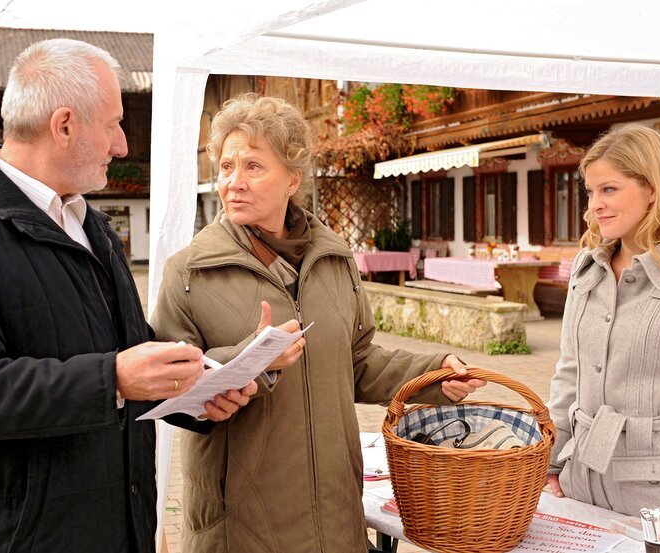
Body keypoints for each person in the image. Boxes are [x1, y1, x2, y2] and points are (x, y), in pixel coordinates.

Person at [0, 39, 258, 553]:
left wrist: (196, 390)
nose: (123, 145)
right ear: (64, 126)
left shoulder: (94, 227)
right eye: (114, 123)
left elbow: (126, 353)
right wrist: (113, 379)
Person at [150, 93, 486, 553]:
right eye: (226, 167)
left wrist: (435, 372)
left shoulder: (335, 259)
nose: (234, 182)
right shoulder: (188, 272)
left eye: (253, 166)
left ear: (293, 178)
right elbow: (167, 388)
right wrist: (250, 359)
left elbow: (359, 361)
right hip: (241, 528)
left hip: (334, 516)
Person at [546, 125, 660, 527]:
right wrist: (548, 462)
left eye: (609, 189)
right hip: (580, 480)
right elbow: (568, 375)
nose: (595, 204)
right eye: (591, 191)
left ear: (653, 189)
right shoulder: (587, 270)